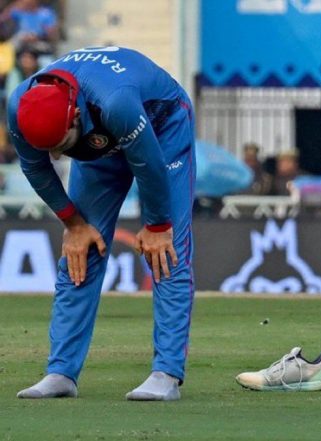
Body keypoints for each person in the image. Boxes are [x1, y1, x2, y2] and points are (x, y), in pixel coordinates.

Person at [7, 46, 196, 401]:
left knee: (167, 250)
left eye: (60, 144)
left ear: (74, 115)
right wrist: (72, 223)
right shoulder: (20, 106)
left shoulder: (116, 101)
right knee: (81, 250)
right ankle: (61, 372)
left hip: (162, 128)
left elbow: (150, 165)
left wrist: (157, 226)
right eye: (50, 150)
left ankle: (166, 373)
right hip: (98, 145)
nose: (58, 156)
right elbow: (35, 167)